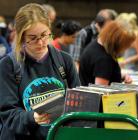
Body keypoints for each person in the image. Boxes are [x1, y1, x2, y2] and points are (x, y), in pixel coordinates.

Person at [0, 3, 80, 140]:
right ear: (21, 37)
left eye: (44, 35)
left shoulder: (64, 60)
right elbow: (8, 114)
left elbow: (78, 101)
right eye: (33, 38)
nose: (41, 43)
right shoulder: (8, 65)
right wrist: (32, 117)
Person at [79, 21, 135, 86]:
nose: (129, 46)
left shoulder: (96, 44)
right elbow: (101, 91)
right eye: (127, 44)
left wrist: (122, 76)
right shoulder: (104, 59)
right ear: (117, 43)